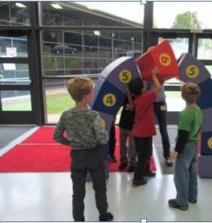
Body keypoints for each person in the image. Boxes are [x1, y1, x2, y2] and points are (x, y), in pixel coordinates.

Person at [53, 76, 114, 222]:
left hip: (77, 157)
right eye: (92, 92)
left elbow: (57, 136)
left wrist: (71, 142)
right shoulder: (93, 115)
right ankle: (103, 214)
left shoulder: (66, 115)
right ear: (87, 96)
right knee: (100, 188)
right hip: (94, 156)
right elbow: (103, 138)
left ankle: (78, 218)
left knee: (78, 191)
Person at [168, 82, 203, 211]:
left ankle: (181, 201)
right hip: (194, 146)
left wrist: (176, 151)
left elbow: (183, 135)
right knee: (192, 173)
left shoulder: (185, 113)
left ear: (183, 96)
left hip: (186, 148)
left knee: (181, 175)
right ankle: (192, 197)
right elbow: (198, 128)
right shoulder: (198, 110)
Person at [128, 67, 161, 187]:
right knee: (144, 156)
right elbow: (158, 88)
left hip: (139, 132)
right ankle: (137, 178)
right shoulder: (146, 97)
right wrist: (153, 75)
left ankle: (145, 171)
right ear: (142, 88)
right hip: (143, 133)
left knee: (146, 153)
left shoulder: (138, 98)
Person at [147, 82, 172, 167]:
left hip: (161, 102)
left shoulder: (161, 70)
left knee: (163, 129)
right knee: (149, 128)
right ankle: (148, 154)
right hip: (151, 102)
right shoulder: (148, 71)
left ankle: (167, 155)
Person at [118, 96, 137, 172]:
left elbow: (132, 107)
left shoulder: (137, 97)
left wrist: (128, 93)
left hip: (132, 126)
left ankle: (133, 163)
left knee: (132, 146)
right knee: (122, 144)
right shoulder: (125, 97)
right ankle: (124, 161)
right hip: (123, 124)